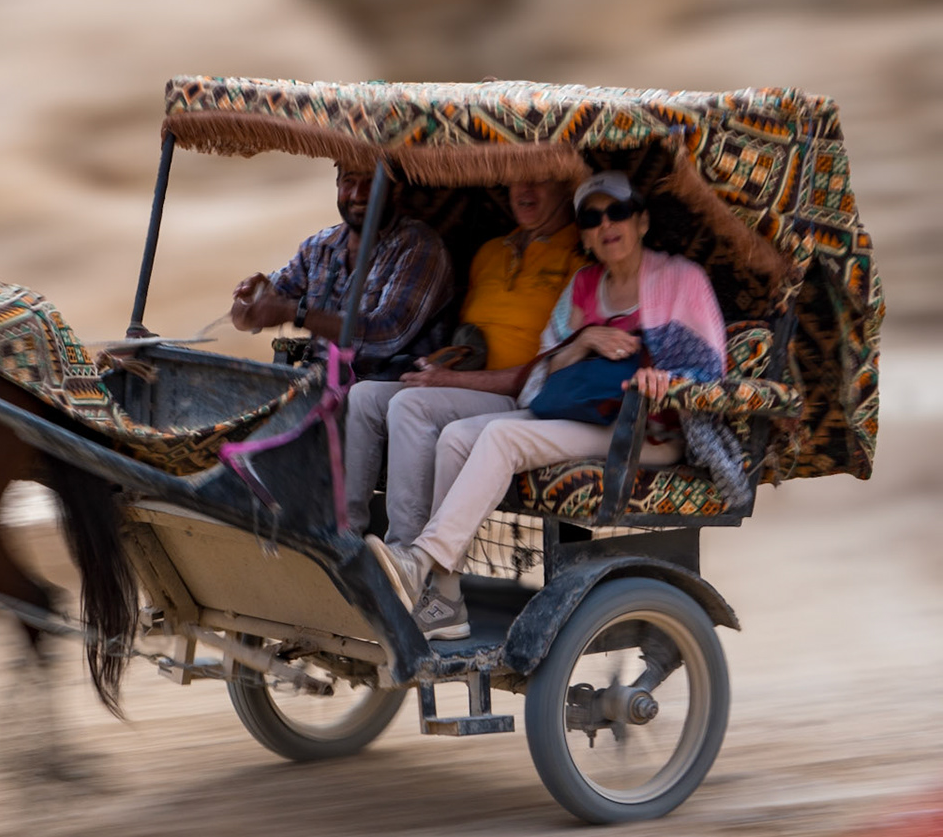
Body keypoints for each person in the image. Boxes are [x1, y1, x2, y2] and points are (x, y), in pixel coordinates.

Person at [366, 170, 729, 640]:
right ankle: (447, 600)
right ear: (585, 234)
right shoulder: (583, 284)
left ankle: (418, 560)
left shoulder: (681, 279)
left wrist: (665, 379)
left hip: (645, 430)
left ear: (641, 221)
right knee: (455, 438)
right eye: (593, 218)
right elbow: (543, 367)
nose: (606, 224)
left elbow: (710, 372)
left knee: (501, 435)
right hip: (578, 414)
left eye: (618, 212)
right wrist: (584, 340)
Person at [342, 177, 581, 540]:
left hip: (522, 399)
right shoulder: (490, 252)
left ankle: (407, 551)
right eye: (518, 179)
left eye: (540, 180)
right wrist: (442, 365)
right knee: (363, 397)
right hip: (464, 385)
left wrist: (450, 381)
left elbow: (549, 370)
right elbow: (470, 337)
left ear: (567, 187)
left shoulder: (579, 258)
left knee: (411, 405)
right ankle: (344, 537)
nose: (524, 190)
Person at [229, 161, 452, 379]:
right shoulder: (318, 247)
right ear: (337, 185)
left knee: (364, 395)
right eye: (349, 181)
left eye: (371, 182)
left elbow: (388, 334)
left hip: (392, 384)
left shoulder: (419, 246)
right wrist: (250, 298)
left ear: (396, 190)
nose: (358, 195)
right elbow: (244, 319)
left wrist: (295, 313)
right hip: (321, 380)